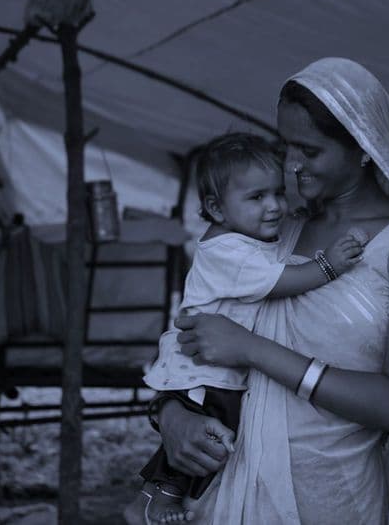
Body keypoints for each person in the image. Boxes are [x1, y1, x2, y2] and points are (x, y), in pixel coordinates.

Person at [133, 58, 389, 525]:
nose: (291, 166)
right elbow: (195, 333)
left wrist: (252, 349)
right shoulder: (272, 232)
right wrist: (171, 415)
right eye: (286, 146)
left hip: (330, 501)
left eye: (309, 151)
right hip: (220, 497)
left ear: (365, 148)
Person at [139, 132, 365, 523]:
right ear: (216, 207)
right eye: (257, 198)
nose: (275, 206)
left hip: (213, 365)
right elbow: (284, 281)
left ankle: (171, 494)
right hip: (204, 371)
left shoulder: (242, 237)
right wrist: (329, 266)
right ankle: (161, 496)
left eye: (279, 193)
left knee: (214, 435)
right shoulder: (228, 252)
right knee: (210, 435)